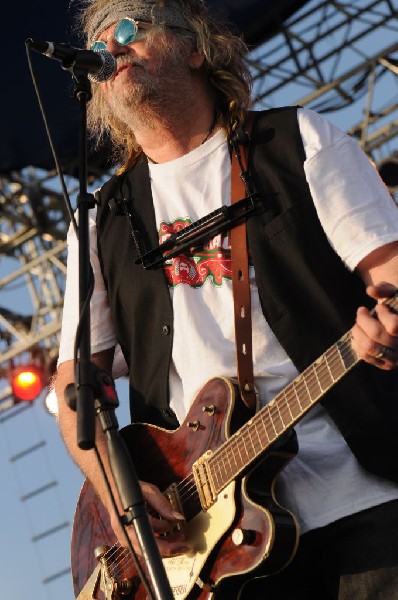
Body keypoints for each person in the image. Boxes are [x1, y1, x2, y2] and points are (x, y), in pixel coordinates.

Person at [54, 0, 398, 598]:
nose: (112, 50)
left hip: (364, 502)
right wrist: (120, 498)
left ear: (195, 49)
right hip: (214, 551)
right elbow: (72, 386)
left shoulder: (300, 142)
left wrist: (388, 330)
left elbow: (390, 276)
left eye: (132, 31)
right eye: (101, 44)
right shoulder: (100, 222)